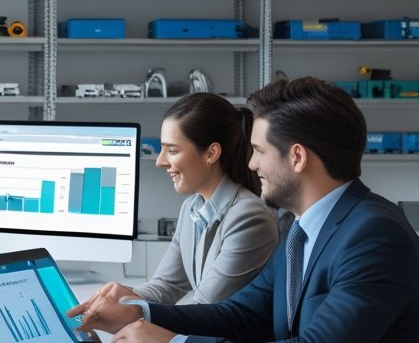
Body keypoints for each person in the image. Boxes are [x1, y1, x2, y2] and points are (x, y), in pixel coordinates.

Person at [71, 77, 419, 343]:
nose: (250, 164)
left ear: (297, 157)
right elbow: (240, 315)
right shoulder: (301, 230)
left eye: (259, 151)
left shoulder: (373, 236)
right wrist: (141, 313)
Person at [78, 93, 278, 315]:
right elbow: (167, 285)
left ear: (211, 153)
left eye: (172, 150)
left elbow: (204, 308)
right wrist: (119, 298)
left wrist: (128, 314)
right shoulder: (191, 208)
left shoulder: (249, 217)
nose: (160, 161)